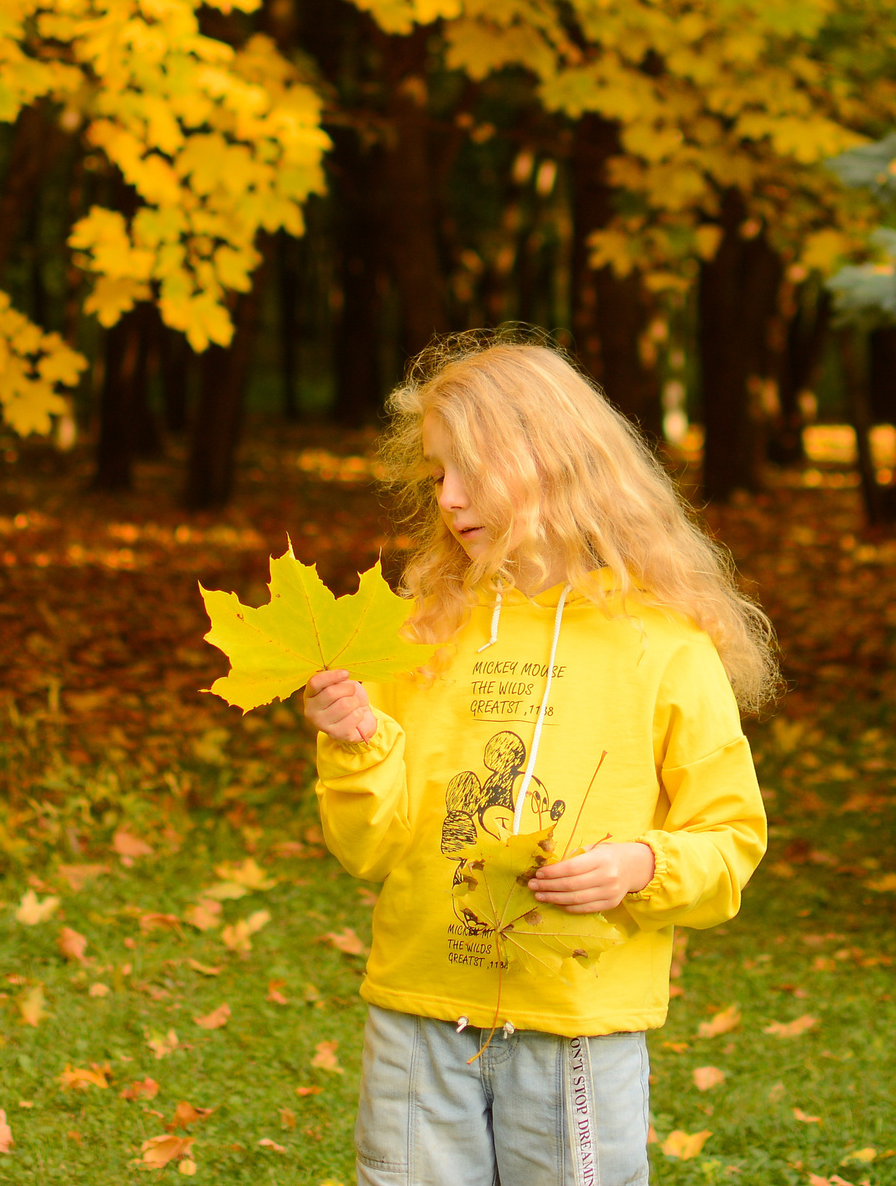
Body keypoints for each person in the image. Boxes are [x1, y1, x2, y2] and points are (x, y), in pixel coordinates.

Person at [304, 334, 776, 1186]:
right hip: (421, 1012)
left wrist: (640, 865)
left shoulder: (665, 645)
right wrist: (356, 745)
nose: (448, 498)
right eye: (437, 473)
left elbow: (731, 840)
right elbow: (370, 850)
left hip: (577, 1026)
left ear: (555, 460)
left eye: (471, 471)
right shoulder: (419, 632)